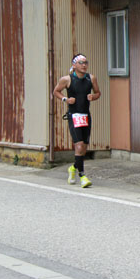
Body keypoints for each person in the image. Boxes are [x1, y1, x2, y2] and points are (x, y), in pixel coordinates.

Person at [53, 54, 101, 188]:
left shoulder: (91, 78)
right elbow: (56, 91)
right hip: (74, 115)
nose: (84, 65)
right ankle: (82, 176)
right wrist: (66, 99)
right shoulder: (67, 79)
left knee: (84, 148)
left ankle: (73, 168)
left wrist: (93, 96)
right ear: (74, 65)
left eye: (86, 62)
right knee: (79, 145)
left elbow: (98, 92)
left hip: (85, 115)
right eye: (81, 63)